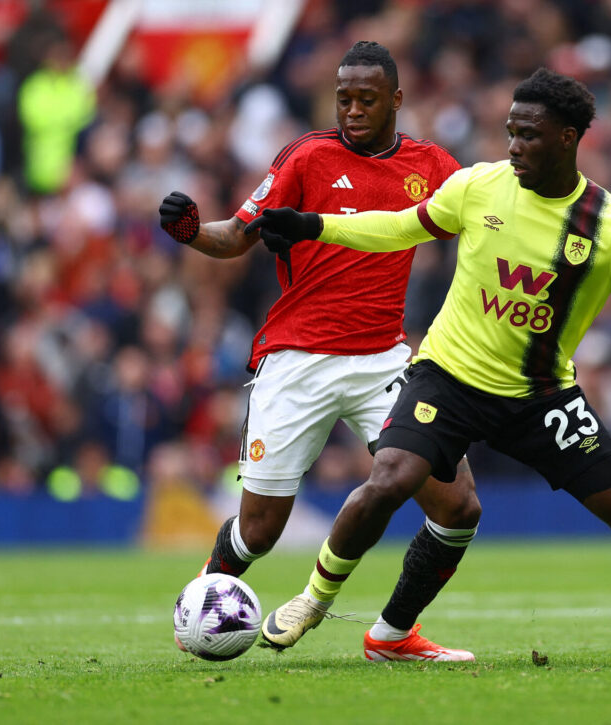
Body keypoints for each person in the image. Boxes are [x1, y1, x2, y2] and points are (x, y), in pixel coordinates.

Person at [249, 68, 611, 663]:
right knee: (390, 478)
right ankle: (313, 600)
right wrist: (313, 224)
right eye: (510, 132)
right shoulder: (479, 186)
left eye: (529, 135)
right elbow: (398, 228)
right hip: (449, 377)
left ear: (568, 137)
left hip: (541, 395)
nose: (513, 146)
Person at [158, 41, 480, 661]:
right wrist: (192, 232)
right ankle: (200, 606)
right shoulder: (307, 157)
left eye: (366, 99)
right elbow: (235, 238)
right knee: (258, 532)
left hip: (384, 360)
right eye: (344, 99)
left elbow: (495, 212)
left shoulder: (433, 164)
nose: (353, 111)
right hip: (296, 358)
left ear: (396, 100)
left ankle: (392, 635)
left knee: (458, 505)